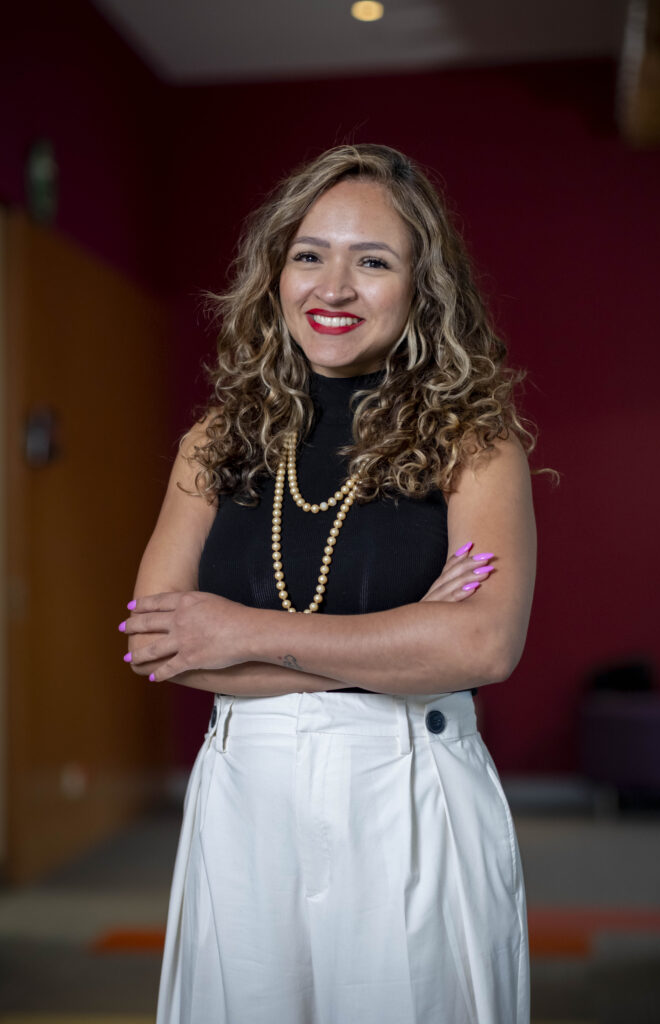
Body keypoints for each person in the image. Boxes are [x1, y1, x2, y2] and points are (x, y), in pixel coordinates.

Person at [120, 143, 537, 1024]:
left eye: (372, 261)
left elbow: (480, 644)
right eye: (310, 254)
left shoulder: (473, 440)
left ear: (422, 287)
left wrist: (239, 631)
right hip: (244, 794)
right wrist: (401, 642)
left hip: (408, 786)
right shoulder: (214, 442)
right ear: (276, 272)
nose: (333, 288)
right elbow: (156, 643)